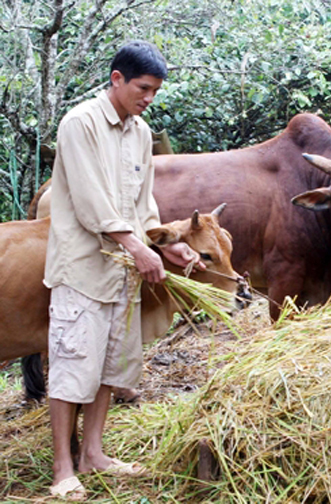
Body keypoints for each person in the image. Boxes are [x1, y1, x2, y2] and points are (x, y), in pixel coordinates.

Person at [43, 41, 203, 501]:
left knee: (110, 367)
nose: (148, 97)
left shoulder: (140, 132)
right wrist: (136, 246)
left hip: (123, 271)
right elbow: (93, 201)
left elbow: (142, 204)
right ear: (117, 79)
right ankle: (62, 469)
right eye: (143, 88)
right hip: (83, 270)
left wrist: (162, 245)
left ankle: (94, 453)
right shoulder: (80, 124)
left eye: (155, 91)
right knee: (73, 365)